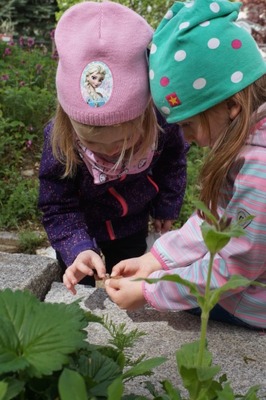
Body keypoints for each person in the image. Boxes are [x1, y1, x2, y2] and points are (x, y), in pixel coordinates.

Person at [104, 0, 266, 330]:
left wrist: (150, 291)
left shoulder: (260, 166)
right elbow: (214, 218)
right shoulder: (246, 143)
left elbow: (234, 267)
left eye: (189, 124)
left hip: (252, 303)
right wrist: (154, 260)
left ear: (231, 105)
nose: (188, 139)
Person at [38, 1, 187, 288]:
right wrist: (77, 247)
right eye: (91, 142)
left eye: (124, 142)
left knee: (127, 278)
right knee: (78, 281)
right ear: (69, 123)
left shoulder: (159, 124)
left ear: (143, 115)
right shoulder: (58, 138)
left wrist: (167, 206)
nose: (109, 152)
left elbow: (173, 162)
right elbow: (57, 203)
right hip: (79, 227)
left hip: (132, 222)